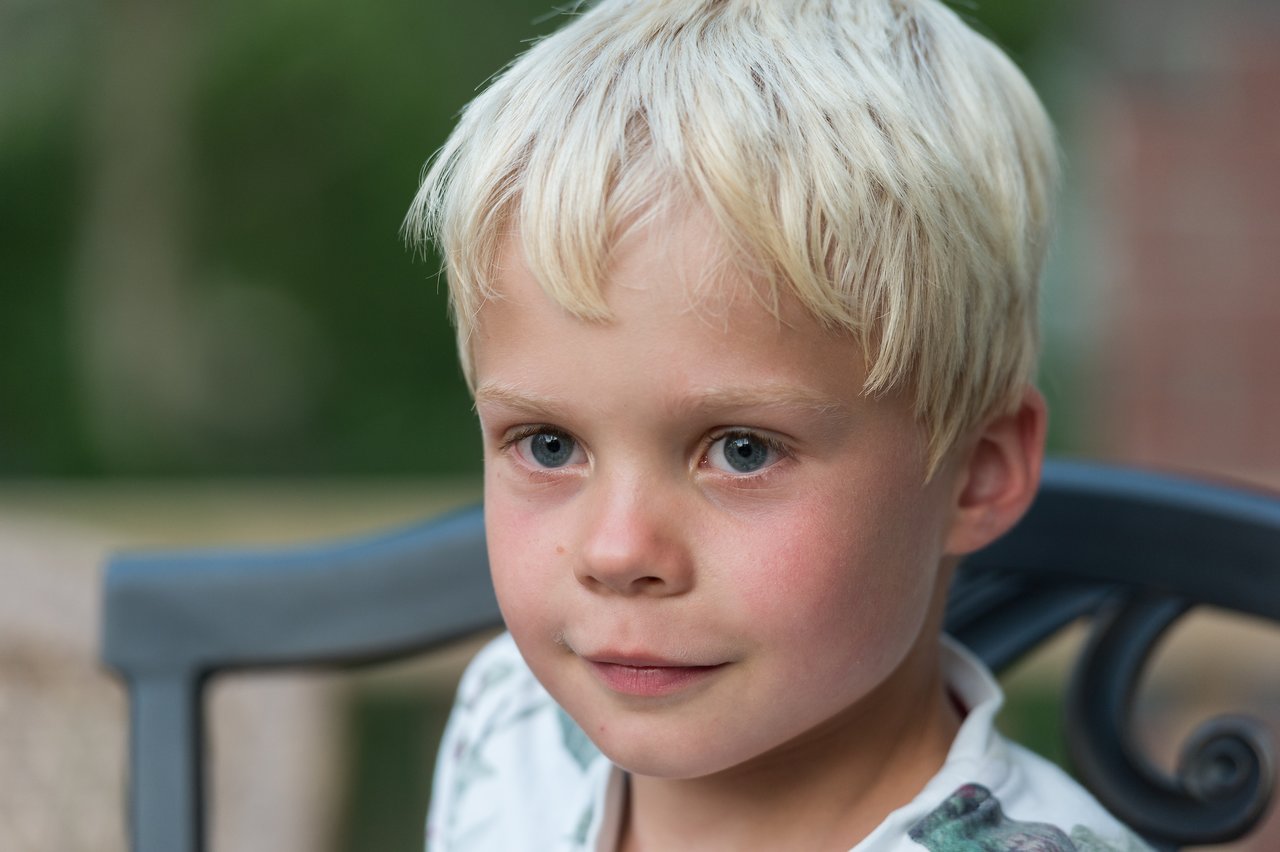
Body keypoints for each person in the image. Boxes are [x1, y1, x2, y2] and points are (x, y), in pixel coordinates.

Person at [406, 1, 1150, 849]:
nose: (617, 552)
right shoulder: (514, 728)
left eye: (741, 451)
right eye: (549, 445)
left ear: (977, 470)